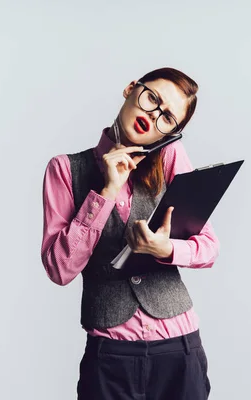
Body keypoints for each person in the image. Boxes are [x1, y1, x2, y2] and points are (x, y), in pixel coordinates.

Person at [40, 67, 220, 399]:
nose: (153, 116)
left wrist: (165, 249)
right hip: (110, 357)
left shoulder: (170, 158)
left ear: (172, 133)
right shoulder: (65, 170)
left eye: (167, 118)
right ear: (131, 88)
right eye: (152, 98)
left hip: (179, 350)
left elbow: (208, 247)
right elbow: (59, 269)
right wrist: (106, 192)